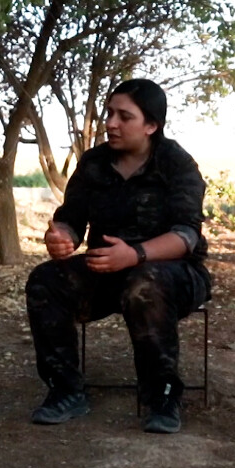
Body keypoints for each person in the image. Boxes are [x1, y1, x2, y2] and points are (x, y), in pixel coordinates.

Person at [25, 79, 211, 434]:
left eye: (124, 116)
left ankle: (163, 396)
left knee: (144, 282)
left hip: (174, 275)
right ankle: (65, 390)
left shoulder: (176, 163)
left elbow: (187, 236)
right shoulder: (94, 163)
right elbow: (71, 220)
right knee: (46, 279)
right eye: (109, 113)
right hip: (106, 270)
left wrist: (136, 255)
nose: (111, 123)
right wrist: (62, 237)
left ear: (151, 124)